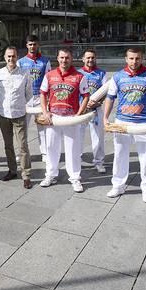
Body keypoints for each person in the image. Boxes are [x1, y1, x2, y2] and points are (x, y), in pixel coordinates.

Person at [104, 47, 146, 203]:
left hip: (143, 122)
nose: (134, 61)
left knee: (145, 157)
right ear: (126, 59)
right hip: (122, 121)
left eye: (137, 58)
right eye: (131, 58)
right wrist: (105, 117)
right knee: (120, 155)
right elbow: (110, 98)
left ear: (142, 58)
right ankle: (118, 185)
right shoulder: (117, 77)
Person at [39, 47, 89, 192]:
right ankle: (50, 175)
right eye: (61, 57)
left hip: (70, 119)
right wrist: (45, 112)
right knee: (51, 148)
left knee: (73, 150)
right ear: (57, 58)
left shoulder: (79, 76)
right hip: (53, 118)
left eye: (67, 57)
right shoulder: (49, 75)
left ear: (71, 58)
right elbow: (42, 94)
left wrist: (79, 114)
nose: (64, 60)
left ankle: (75, 178)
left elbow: (86, 95)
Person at [0, 46, 33, 188]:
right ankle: (12, 170)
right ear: (5, 57)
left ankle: (26, 175)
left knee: (23, 145)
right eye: (8, 56)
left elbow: (29, 93)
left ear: (17, 57)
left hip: (19, 114)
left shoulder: (24, 73)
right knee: (8, 145)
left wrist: (21, 105)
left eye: (14, 56)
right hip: (3, 114)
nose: (11, 59)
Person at [18, 35, 52, 162]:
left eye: (34, 44)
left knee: (42, 127)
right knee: (22, 128)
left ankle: (45, 153)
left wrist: (48, 99)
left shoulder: (45, 61)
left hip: (40, 98)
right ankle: (22, 153)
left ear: (38, 45)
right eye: (30, 44)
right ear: (26, 45)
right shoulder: (20, 62)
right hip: (25, 98)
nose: (32, 46)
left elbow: (49, 81)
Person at [78, 49, 109, 173]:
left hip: (96, 109)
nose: (90, 60)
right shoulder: (78, 73)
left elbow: (106, 91)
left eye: (92, 57)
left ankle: (98, 162)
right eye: (88, 58)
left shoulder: (101, 73)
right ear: (83, 59)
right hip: (81, 109)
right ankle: (76, 160)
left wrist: (98, 102)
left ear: (95, 58)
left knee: (98, 136)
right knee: (78, 136)